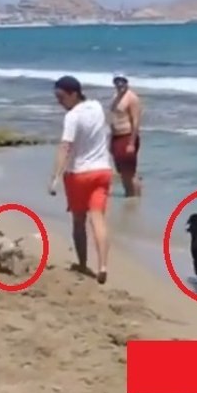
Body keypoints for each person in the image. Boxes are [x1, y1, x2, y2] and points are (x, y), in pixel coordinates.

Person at [47, 75, 113, 284]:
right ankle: (103, 266)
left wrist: (54, 177)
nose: (59, 101)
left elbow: (65, 147)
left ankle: (83, 264)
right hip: (102, 170)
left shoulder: (72, 117)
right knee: (98, 219)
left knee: (78, 222)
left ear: (73, 94)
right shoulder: (96, 107)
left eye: (61, 97)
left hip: (79, 174)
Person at [108, 73, 144, 197]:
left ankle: (136, 198)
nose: (119, 84)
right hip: (116, 137)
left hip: (127, 136)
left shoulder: (132, 98)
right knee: (122, 172)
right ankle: (129, 195)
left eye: (122, 81)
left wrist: (131, 143)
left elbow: (136, 121)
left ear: (126, 82)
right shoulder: (116, 97)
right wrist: (110, 140)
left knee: (130, 172)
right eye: (117, 81)